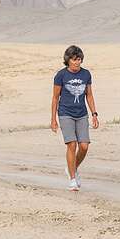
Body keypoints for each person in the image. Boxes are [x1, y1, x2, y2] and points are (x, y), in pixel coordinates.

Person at [50, 45, 99, 191]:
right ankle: (72, 179)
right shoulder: (61, 75)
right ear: (68, 60)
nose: (77, 62)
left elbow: (89, 95)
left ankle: (72, 168)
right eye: (74, 59)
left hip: (82, 114)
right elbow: (55, 98)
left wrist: (94, 114)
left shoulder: (86, 74)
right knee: (72, 145)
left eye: (79, 59)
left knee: (84, 146)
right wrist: (53, 119)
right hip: (65, 113)